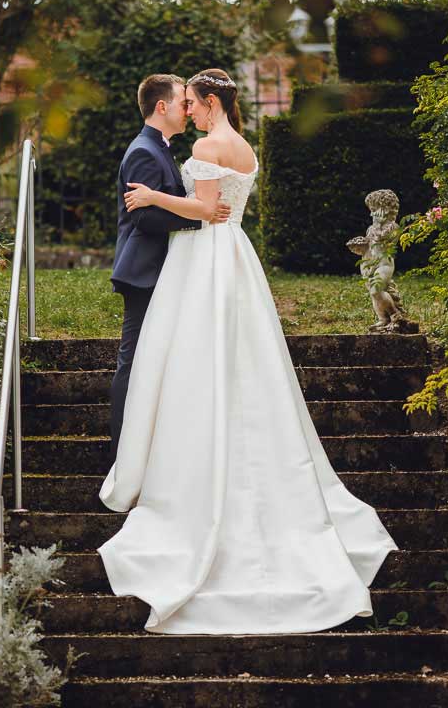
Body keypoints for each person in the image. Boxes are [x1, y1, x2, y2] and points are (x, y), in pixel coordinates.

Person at [98, 68, 399, 635]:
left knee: (201, 355)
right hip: (234, 254)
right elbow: (223, 209)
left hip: (208, 252)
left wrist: (154, 195)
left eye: (191, 101)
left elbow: (206, 210)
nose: (186, 109)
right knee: (241, 359)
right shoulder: (246, 146)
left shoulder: (211, 145)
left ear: (209, 102)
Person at [108, 74, 231, 460]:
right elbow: (144, 219)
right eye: (182, 100)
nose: (187, 106)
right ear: (162, 106)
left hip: (165, 269)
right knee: (134, 363)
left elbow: (160, 204)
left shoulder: (158, 148)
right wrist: (201, 218)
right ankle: (121, 457)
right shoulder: (144, 151)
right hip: (144, 271)